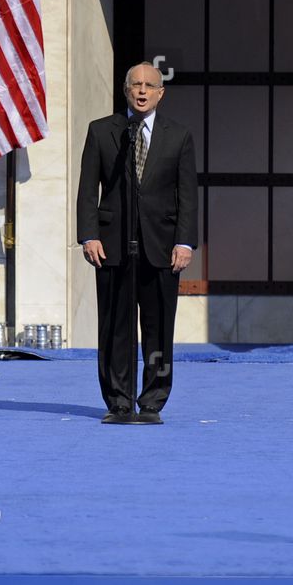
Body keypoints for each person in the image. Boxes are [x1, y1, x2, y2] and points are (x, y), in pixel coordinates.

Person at [76, 62, 198, 424]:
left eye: (150, 85)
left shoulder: (179, 136)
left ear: (161, 93)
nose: (142, 91)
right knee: (115, 325)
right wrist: (89, 234)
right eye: (136, 85)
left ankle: (152, 401)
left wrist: (185, 243)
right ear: (125, 90)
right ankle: (118, 402)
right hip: (113, 245)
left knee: (159, 327)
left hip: (162, 247)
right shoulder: (102, 132)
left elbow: (188, 195)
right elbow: (87, 190)